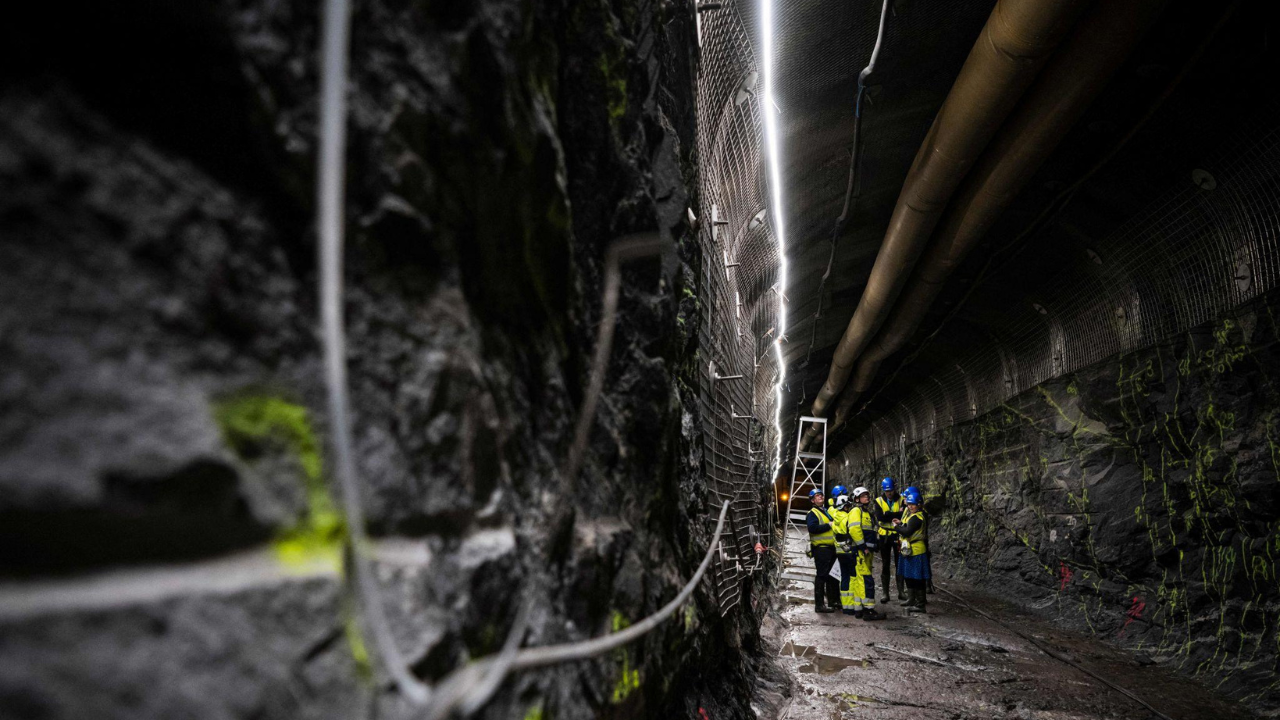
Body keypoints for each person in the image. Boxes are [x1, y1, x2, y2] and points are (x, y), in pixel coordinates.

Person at [892, 486, 931, 613]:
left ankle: (920, 604)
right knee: (909, 576)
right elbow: (906, 526)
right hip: (909, 549)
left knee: (917, 577)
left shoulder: (917, 517)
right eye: (909, 504)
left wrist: (896, 528)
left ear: (919, 505)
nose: (910, 506)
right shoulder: (912, 515)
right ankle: (911, 599)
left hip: (916, 550)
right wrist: (901, 524)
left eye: (913, 505)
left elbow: (908, 531)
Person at [847, 486, 883, 620]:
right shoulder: (856, 511)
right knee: (866, 580)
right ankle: (869, 610)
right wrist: (863, 546)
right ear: (857, 499)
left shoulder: (866, 512)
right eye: (863, 496)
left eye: (867, 495)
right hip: (860, 552)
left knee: (859, 580)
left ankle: (859, 609)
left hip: (865, 552)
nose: (867, 497)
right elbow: (854, 530)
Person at [806, 487, 841, 613]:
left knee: (833, 576)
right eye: (817, 496)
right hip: (821, 549)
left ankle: (834, 601)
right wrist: (828, 525)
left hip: (831, 548)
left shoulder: (825, 511)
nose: (820, 497)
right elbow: (812, 528)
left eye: (821, 495)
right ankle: (819, 605)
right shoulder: (812, 514)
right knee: (821, 576)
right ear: (812, 500)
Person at [828, 485, 858, 616]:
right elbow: (853, 531)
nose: (849, 508)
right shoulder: (847, 518)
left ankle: (846, 606)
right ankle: (853, 605)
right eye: (847, 506)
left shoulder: (835, 515)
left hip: (839, 552)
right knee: (853, 577)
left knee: (844, 578)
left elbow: (831, 509)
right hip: (849, 551)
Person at [873, 477, 905, 603]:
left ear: (894, 489)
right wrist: (896, 514)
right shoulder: (878, 501)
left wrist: (888, 515)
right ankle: (885, 593)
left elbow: (904, 515)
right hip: (884, 536)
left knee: (899, 563)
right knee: (885, 563)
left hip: (897, 535)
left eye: (891, 491)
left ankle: (901, 592)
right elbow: (881, 517)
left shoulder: (902, 499)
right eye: (887, 491)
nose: (889, 493)